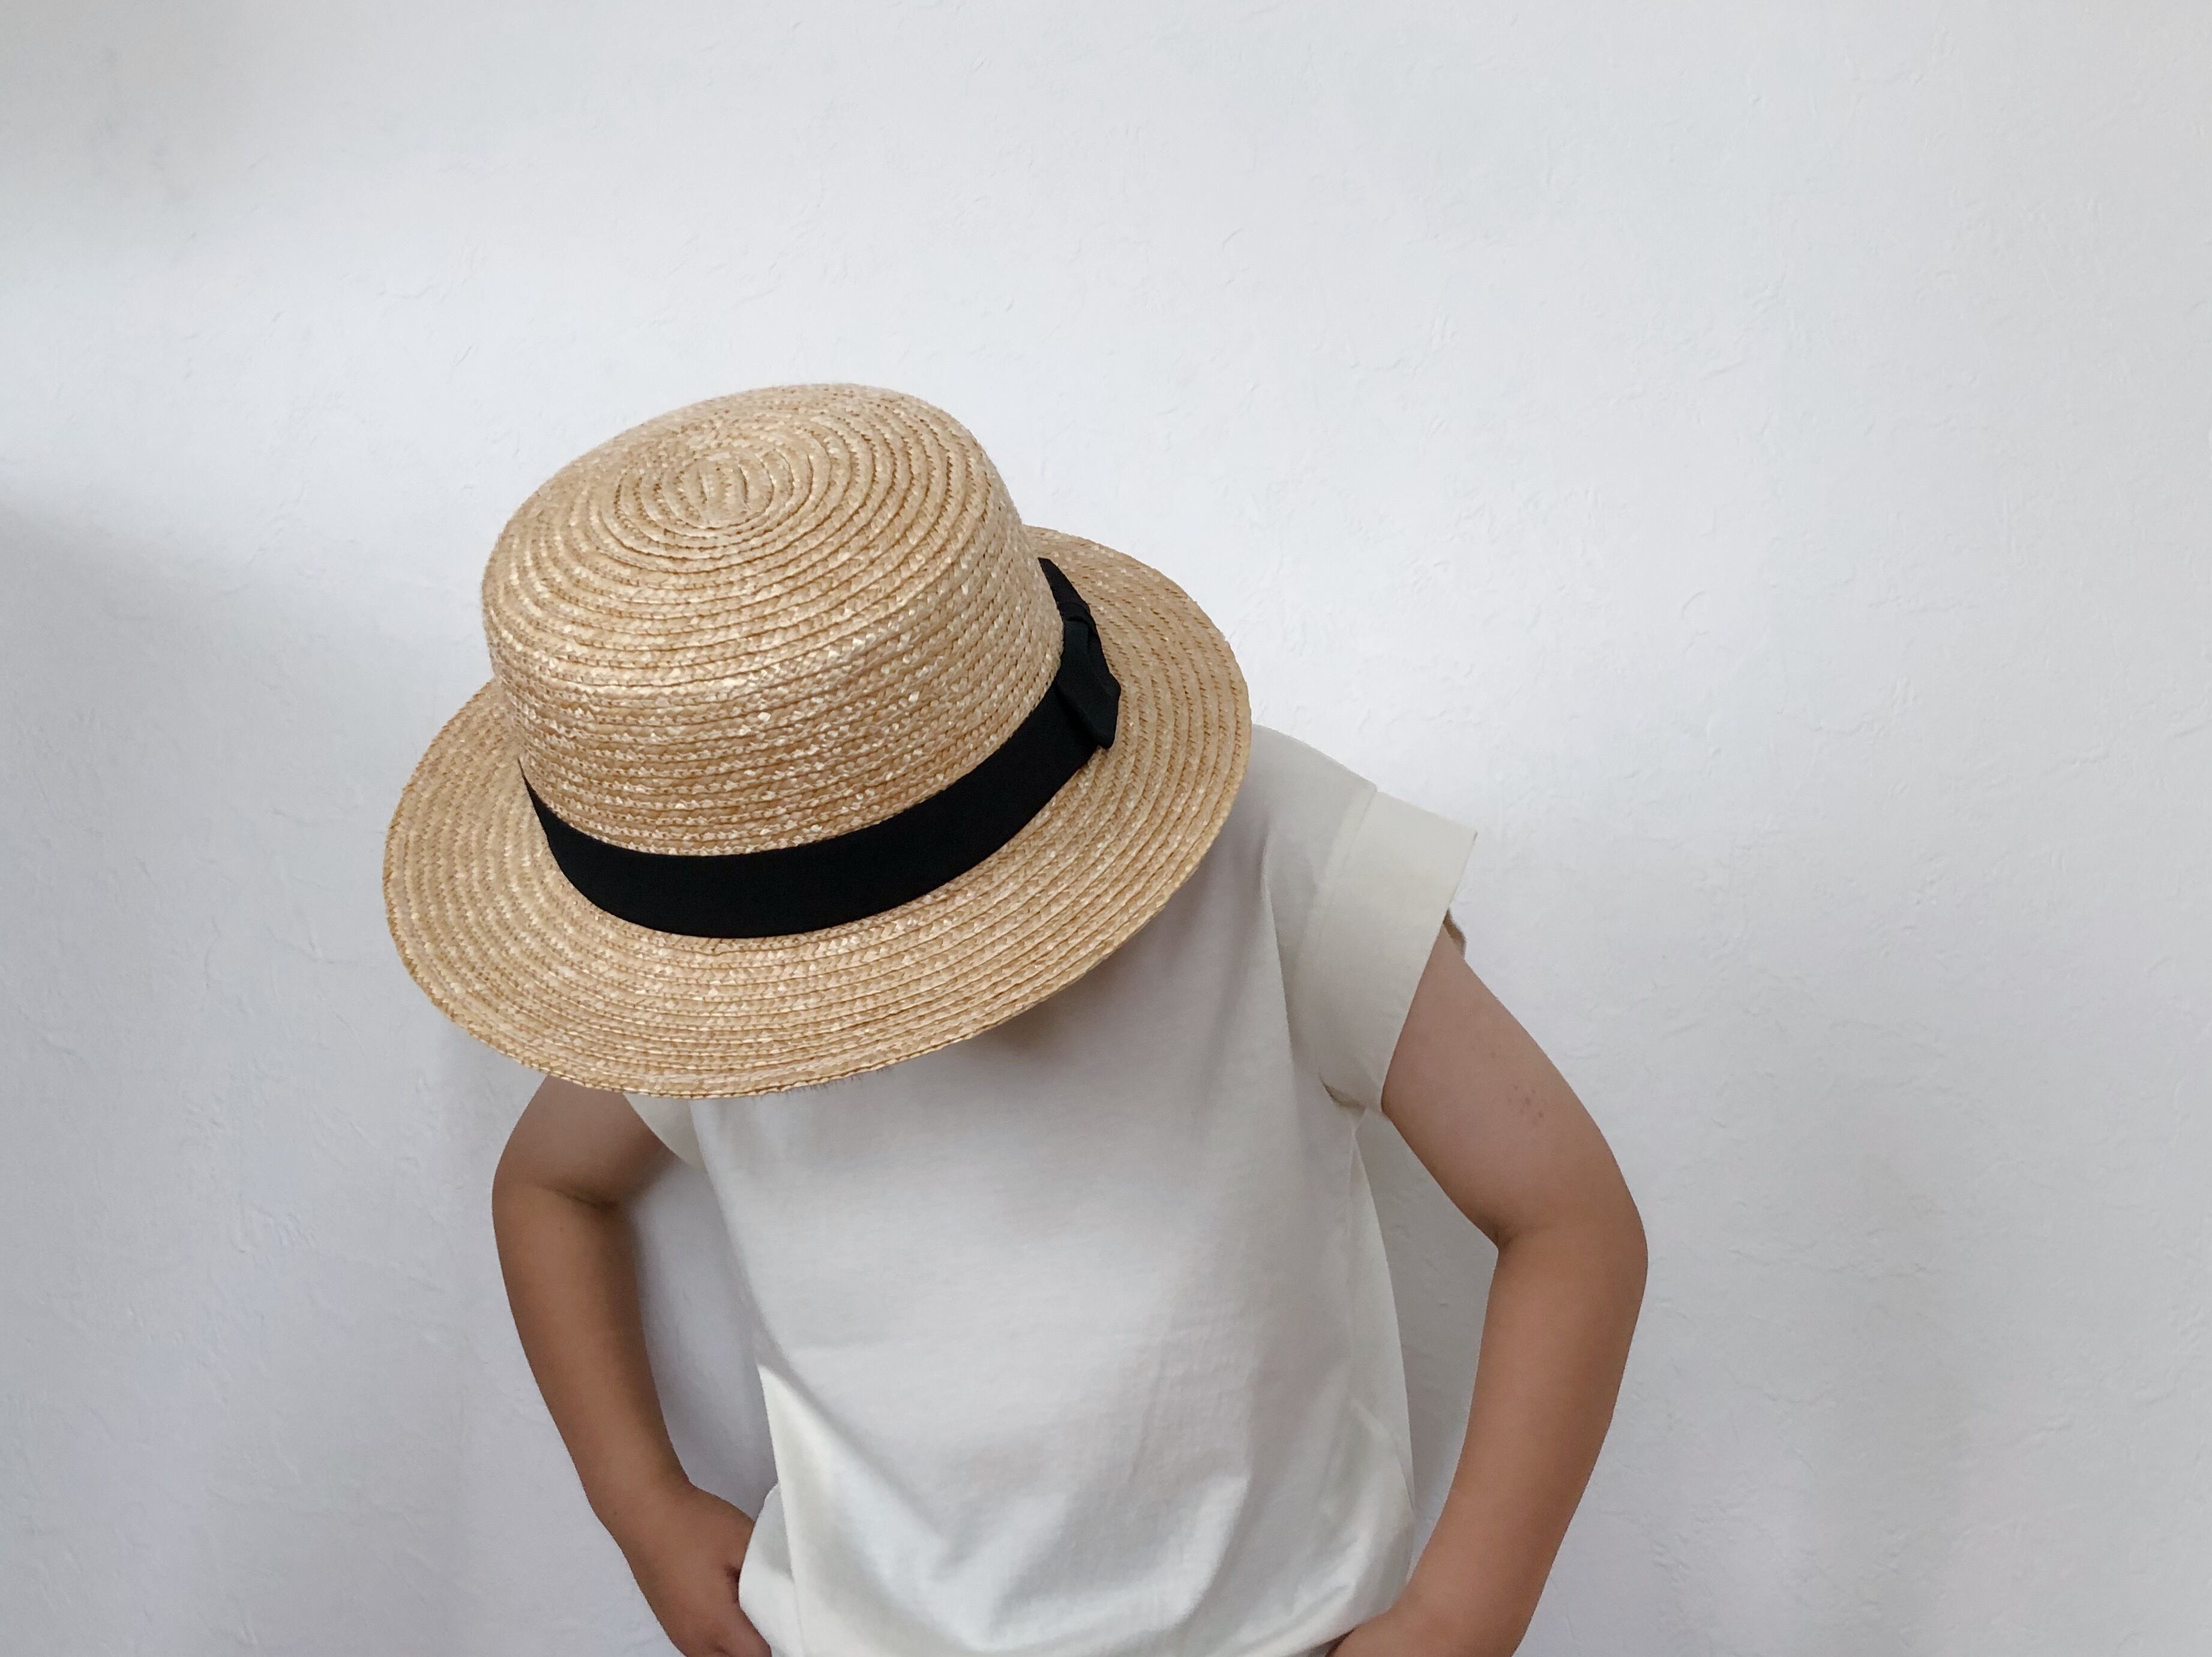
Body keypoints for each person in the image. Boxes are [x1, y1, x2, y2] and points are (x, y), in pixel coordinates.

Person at [384, 385, 1647, 1657]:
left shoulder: (1261, 848)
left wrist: (1458, 1615)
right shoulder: (699, 966)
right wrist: (642, 1506)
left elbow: (1568, 1217)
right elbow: (549, 1188)